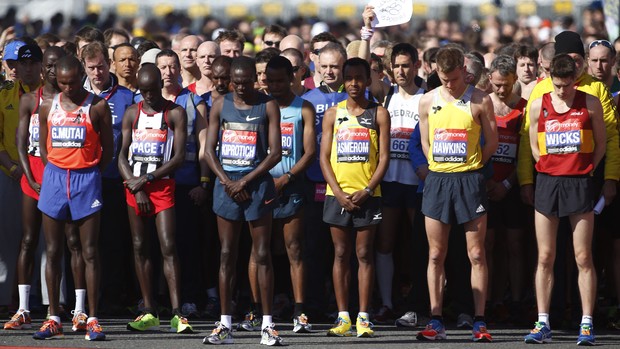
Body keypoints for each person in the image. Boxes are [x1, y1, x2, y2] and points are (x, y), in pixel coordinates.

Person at [416, 46, 497, 342]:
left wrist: (472, 167)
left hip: (469, 181)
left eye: (453, 78)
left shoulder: (480, 99)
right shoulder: (427, 101)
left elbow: (492, 142)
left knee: (476, 253)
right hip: (438, 182)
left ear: (464, 69)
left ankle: (479, 320)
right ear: (436, 71)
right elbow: (425, 142)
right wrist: (438, 166)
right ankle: (436, 318)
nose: (449, 84)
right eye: (443, 78)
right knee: (436, 254)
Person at [524, 54, 606, 346]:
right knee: (545, 256)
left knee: (583, 256)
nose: (562, 91)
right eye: (557, 85)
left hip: (580, 183)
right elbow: (534, 146)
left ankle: (586, 323)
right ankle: (542, 321)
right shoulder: (538, 105)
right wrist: (551, 168)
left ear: (575, 77)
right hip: (548, 183)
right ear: (550, 78)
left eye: (567, 85)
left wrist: (586, 170)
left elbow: (601, 144)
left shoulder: (590, 102)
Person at [203, 56, 283, 346]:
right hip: (226, 187)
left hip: (257, 187)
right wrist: (227, 182)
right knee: (227, 254)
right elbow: (209, 150)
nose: (239, 87)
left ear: (254, 79)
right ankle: (224, 324)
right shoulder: (221, 104)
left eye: (244, 82)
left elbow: (275, 153)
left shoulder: (268, 104)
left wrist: (245, 182)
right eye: (235, 83)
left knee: (262, 255)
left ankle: (267, 324)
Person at [34, 54, 113, 341]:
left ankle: (91, 318)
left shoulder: (98, 106)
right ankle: (53, 316)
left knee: (89, 250)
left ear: (82, 76)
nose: (67, 88)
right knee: (53, 251)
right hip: (55, 177)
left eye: (72, 82)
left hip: (86, 179)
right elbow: (44, 146)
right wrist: (56, 168)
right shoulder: (46, 106)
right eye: (62, 83)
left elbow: (108, 149)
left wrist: (90, 173)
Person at [118, 64, 193, 334]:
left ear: (160, 85)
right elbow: (121, 156)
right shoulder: (131, 113)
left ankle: (176, 312)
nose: (148, 96)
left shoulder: (174, 112)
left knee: (168, 245)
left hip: (161, 186)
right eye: (144, 91)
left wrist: (147, 181)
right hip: (134, 187)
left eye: (153, 90)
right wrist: (136, 188)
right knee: (140, 246)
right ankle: (148, 309)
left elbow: (179, 157)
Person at [320, 57, 390, 338]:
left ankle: (363, 316)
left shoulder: (379, 113)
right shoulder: (332, 114)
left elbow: (384, 158)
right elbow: (323, 158)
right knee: (340, 254)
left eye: (359, 78)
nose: (353, 84)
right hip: (336, 195)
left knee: (364, 254)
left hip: (368, 195)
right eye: (348, 78)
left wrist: (368, 189)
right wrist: (338, 192)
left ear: (368, 79)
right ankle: (343, 317)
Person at [4, 45, 61, 330]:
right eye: (18, 63)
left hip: (57, 177)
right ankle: (20, 305)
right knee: (24, 240)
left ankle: (54, 307)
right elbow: (17, 142)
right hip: (25, 176)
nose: (24, 69)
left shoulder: (66, 98)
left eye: (31, 63)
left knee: (54, 245)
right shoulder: (17, 97)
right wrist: (23, 173)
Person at [263, 56, 316, 332]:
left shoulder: (303, 108)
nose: (275, 86)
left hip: (291, 184)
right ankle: (262, 310)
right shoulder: (260, 107)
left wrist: (287, 177)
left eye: (280, 80)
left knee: (294, 248)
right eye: (270, 81)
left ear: (292, 78)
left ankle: (299, 310)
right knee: (262, 251)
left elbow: (309, 152)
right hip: (263, 186)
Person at [156, 48, 210, 318]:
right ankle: (159, 298)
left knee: (187, 242)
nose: (167, 72)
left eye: (171, 66)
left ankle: (189, 297)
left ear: (180, 69)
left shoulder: (193, 101)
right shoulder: (144, 100)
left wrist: (203, 182)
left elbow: (203, 145)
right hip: (155, 184)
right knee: (159, 245)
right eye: (162, 67)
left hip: (187, 183)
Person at [374, 42, 424, 324]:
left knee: (419, 245)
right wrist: (367, 31)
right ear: (390, 69)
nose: (401, 71)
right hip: (390, 181)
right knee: (385, 243)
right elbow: (356, 64)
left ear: (416, 65)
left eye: (406, 65)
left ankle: (417, 303)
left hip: (417, 184)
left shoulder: (427, 96)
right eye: (397, 66)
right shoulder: (386, 95)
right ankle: (387, 303)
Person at [485, 55, 528, 323]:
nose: (501, 90)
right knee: (487, 245)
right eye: (497, 85)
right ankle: (488, 301)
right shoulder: (481, 105)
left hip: (512, 186)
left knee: (514, 245)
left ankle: (515, 301)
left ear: (514, 80)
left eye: (507, 85)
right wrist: (490, 181)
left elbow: (525, 153)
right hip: (487, 185)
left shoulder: (523, 108)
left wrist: (508, 183)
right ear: (490, 79)